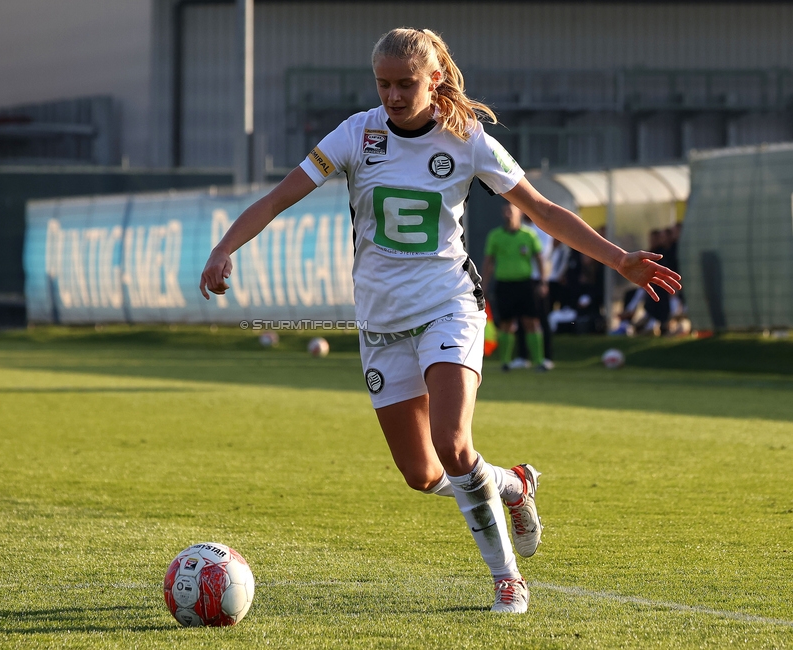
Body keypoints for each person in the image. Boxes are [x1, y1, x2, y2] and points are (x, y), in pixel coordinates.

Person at [200, 28, 680, 614]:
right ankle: (513, 484)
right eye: (384, 84)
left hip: (448, 305)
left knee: (453, 444)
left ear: (434, 79)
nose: (395, 96)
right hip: (381, 325)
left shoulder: (467, 139)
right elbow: (278, 198)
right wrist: (226, 247)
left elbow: (543, 209)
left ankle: (507, 578)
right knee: (423, 475)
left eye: (406, 84)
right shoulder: (356, 133)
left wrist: (617, 258)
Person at [482, 204, 550, 372]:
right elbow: (489, 262)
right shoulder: (495, 236)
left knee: (531, 321)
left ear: (519, 213)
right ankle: (505, 362)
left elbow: (540, 259)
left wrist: (543, 281)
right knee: (506, 323)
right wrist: (484, 285)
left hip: (525, 283)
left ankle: (539, 361)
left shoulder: (529, 235)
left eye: (511, 211)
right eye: (505, 211)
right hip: (504, 284)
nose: (508, 214)